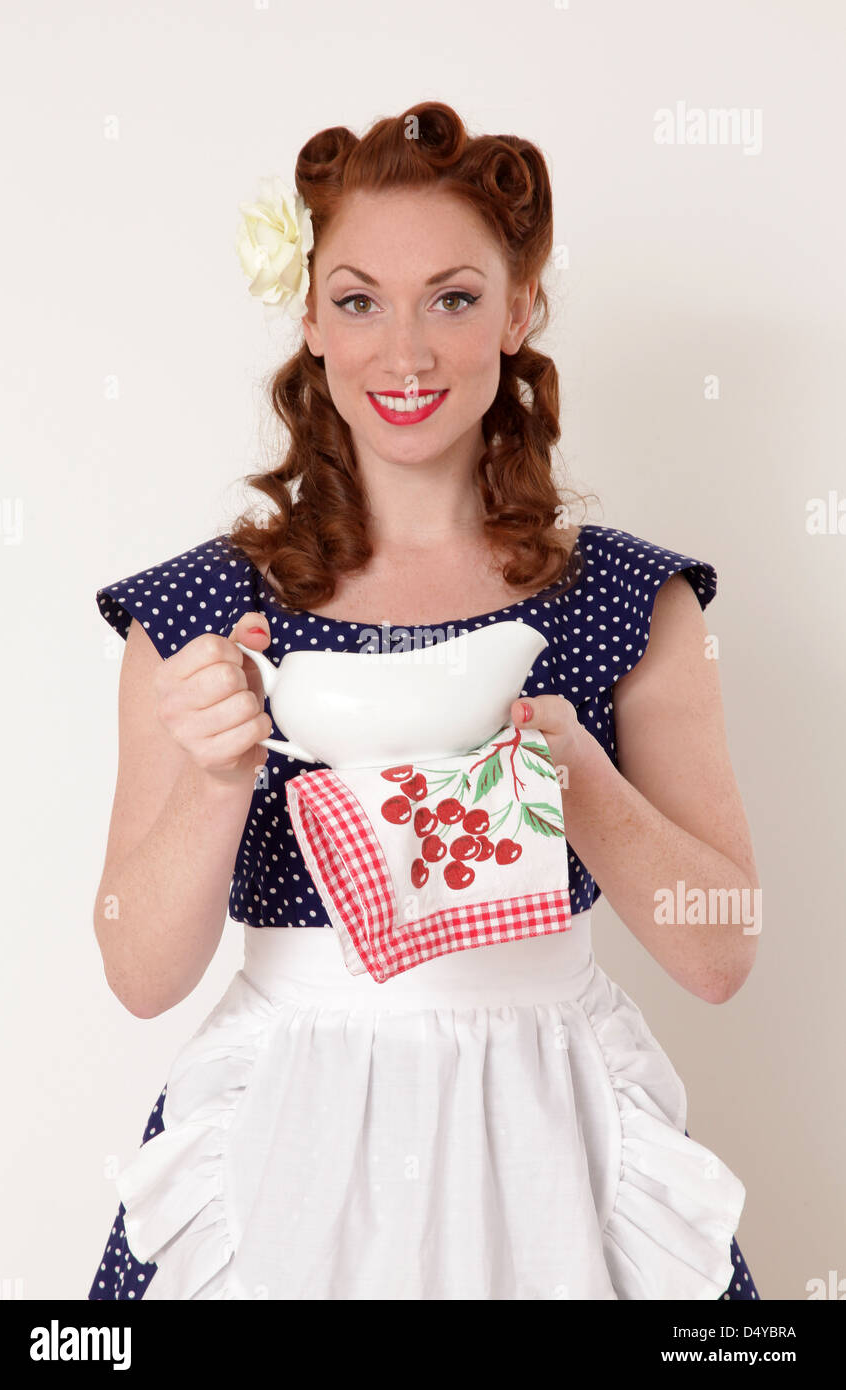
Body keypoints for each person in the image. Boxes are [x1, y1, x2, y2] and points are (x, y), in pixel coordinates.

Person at [88, 101, 760, 1300]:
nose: (404, 352)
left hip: (550, 1116)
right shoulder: (196, 613)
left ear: (516, 311)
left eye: (451, 298)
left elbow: (719, 953)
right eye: (357, 300)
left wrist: (580, 782)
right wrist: (217, 775)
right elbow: (140, 973)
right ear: (308, 318)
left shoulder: (629, 598)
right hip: (284, 1129)